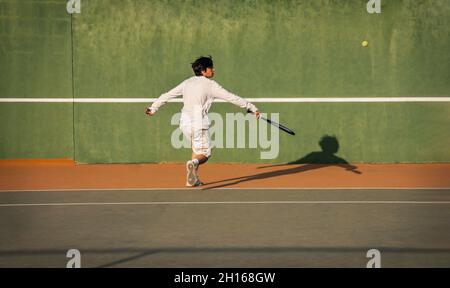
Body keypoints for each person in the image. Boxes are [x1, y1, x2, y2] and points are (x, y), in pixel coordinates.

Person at [145, 56, 260, 187]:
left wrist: (153, 108)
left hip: (184, 122)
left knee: (196, 148)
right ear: (204, 71)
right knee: (205, 153)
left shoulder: (187, 82)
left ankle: (192, 179)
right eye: (211, 67)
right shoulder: (211, 85)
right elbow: (231, 97)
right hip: (198, 122)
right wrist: (251, 107)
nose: (213, 69)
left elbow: (168, 94)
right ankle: (193, 163)